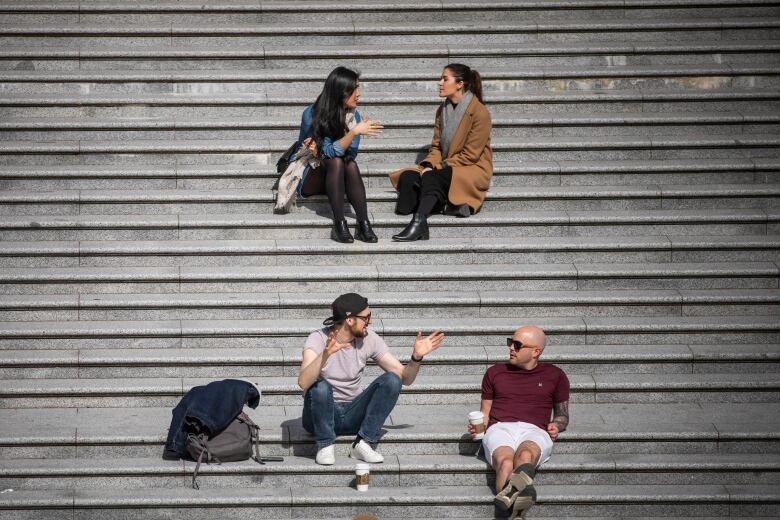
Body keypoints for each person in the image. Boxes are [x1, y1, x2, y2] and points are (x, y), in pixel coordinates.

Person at [298, 293, 445, 465]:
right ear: (350, 320)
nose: (370, 321)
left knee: (392, 379)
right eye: (366, 318)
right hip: (319, 417)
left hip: (353, 414)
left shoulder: (369, 339)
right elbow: (303, 382)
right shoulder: (317, 338)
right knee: (319, 386)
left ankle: (363, 443)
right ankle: (325, 445)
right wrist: (326, 354)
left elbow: (405, 378)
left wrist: (416, 357)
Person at [468, 326, 570, 519]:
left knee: (525, 456)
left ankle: (507, 509)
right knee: (505, 463)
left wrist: (556, 425)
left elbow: (563, 414)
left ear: (536, 351)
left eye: (517, 345)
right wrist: (477, 428)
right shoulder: (495, 372)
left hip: (535, 430)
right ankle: (517, 510)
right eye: (510, 342)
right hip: (500, 427)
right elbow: (485, 412)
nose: (511, 348)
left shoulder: (555, 375)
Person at [389, 63, 493, 241]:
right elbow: (437, 146)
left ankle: (419, 222)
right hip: (447, 166)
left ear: (460, 84)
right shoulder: (442, 110)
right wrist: (429, 164)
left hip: (471, 168)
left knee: (430, 177)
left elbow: (471, 155)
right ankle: (445, 205)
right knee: (408, 179)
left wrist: (437, 167)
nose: (440, 82)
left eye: (445, 79)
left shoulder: (479, 112)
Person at [296, 67, 384, 243]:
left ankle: (363, 223)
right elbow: (326, 153)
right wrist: (353, 133)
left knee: (350, 164)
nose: (358, 94)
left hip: (336, 177)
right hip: (312, 173)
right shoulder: (312, 114)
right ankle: (339, 224)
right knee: (336, 161)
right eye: (355, 89)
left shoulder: (354, 116)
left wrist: (353, 132)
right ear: (341, 92)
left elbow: (351, 153)